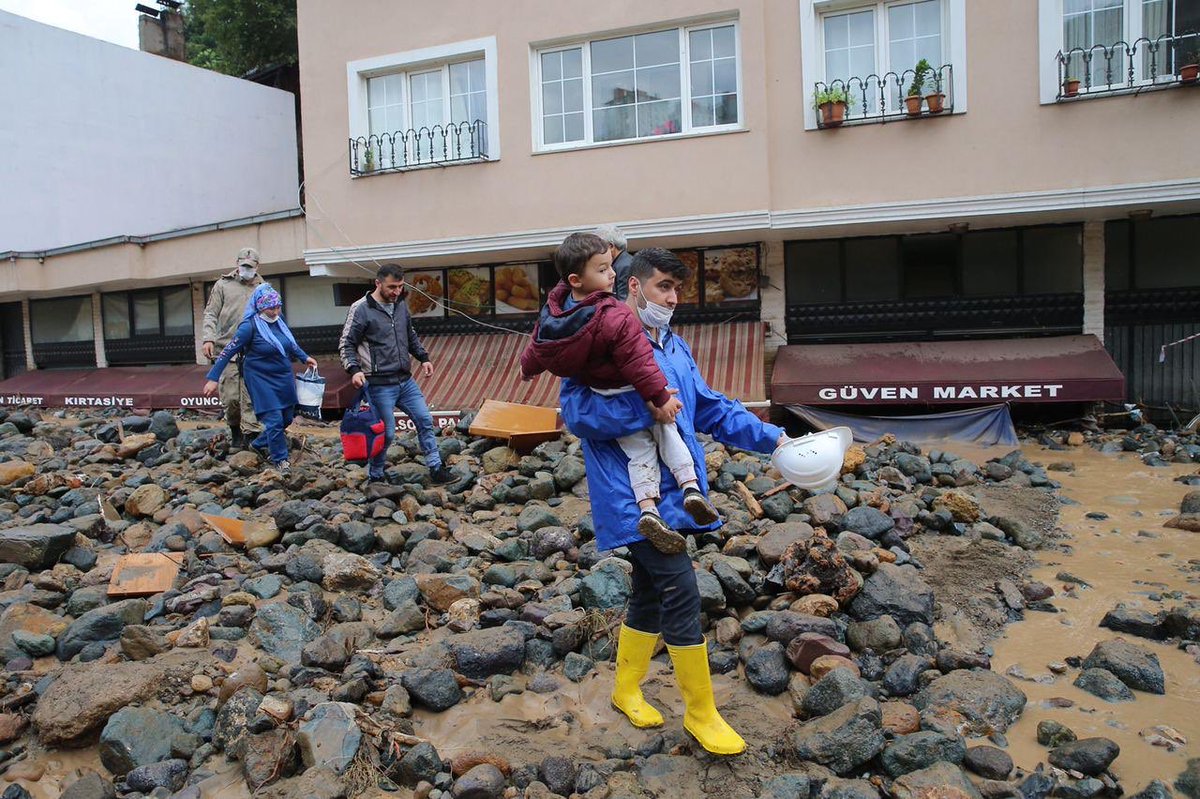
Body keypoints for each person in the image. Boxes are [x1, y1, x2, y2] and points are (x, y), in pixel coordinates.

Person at [559, 247, 788, 756]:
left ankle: (625, 691)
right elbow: (575, 414)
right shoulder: (599, 342)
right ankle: (701, 714)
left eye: (677, 289)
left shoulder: (675, 345)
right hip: (631, 499)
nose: (673, 298)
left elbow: (710, 409)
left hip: (677, 496)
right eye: (663, 286)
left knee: (648, 593)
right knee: (682, 589)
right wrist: (648, 410)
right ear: (633, 286)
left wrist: (776, 440)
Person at [520, 233, 719, 555]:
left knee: (639, 454)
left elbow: (536, 347)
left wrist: (527, 369)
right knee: (669, 432)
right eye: (602, 269)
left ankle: (648, 509)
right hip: (631, 393)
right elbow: (639, 364)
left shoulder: (554, 316)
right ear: (576, 279)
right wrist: (659, 400)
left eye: (610, 266)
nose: (613, 274)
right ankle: (690, 487)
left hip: (604, 393)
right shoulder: (615, 315)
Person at [339, 263, 452, 490]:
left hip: (405, 380)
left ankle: (436, 468)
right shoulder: (360, 308)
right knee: (387, 433)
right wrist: (354, 369)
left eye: (400, 286)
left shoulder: (400, 304)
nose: (397, 291)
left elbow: (409, 334)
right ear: (378, 283)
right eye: (392, 287)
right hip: (378, 384)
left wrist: (424, 357)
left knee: (424, 420)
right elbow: (346, 344)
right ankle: (376, 476)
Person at [203, 284, 317, 474]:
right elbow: (227, 352)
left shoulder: (279, 320)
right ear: (260, 307)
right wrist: (213, 378)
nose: (275, 312)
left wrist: (305, 357)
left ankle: (258, 443)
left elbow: (290, 343)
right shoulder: (249, 327)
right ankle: (281, 460)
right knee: (274, 420)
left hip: (283, 375)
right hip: (260, 378)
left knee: (286, 418)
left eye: (278, 307)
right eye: (271, 308)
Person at [201, 247, 264, 449]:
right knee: (231, 398)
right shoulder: (222, 285)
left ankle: (251, 436)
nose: (247, 269)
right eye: (243, 265)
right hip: (227, 348)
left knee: (251, 397)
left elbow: (273, 316)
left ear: (257, 266)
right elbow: (211, 313)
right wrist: (208, 338)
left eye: (250, 266)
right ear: (237, 264)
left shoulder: (263, 287)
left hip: (254, 350)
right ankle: (235, 430)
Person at [595, 223, 634, 301]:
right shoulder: (622, 262)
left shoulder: (625, 265)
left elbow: (624, 299)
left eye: (598, 246)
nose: (596, 251)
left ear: (611, 246)